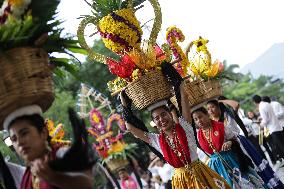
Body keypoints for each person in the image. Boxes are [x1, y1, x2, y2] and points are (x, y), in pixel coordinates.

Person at [120, 83, 231, 188]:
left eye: (163, 114)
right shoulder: (156, 140)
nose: (161, 119)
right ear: (154, 122)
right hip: (181, 181)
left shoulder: (184, 126)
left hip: (200, 172)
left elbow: (184, 98)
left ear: (170, 115)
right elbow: (130, 127)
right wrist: (125, 105)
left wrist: (177, 82)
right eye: (157, 118)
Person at [3, 105, 94, 189]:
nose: (19, 142)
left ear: (43, 133)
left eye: (24, 133)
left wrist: (53, 177)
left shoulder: (61, 154)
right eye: (14, 139)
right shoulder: (25, 176)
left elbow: (88, 184)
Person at [207, 99, 282, 188]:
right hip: (228, 152)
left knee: (253, 167)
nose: (211, 110)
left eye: (213, 107)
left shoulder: (227, 115)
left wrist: (221, 100)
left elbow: (236, 104)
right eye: (208, 109)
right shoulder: (210, 122)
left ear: (218, 106)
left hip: (240, 144)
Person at [192, 107, 267, 188]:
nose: (198, 121)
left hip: (231, 159)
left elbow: (235, 139)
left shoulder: (220, 126)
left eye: (200, 117)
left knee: (244, 183)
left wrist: (230, 142)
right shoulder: (199, 135)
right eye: (195, 119)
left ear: (207, 114)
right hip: (216, 166)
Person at [253, 95, 284, 161]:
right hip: (278, 127)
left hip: (273, 129)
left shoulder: (261, 107)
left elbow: (265, 120)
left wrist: (261, 124)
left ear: (254, 102)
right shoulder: (266, 104)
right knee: (282, 144)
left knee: (280, 146)